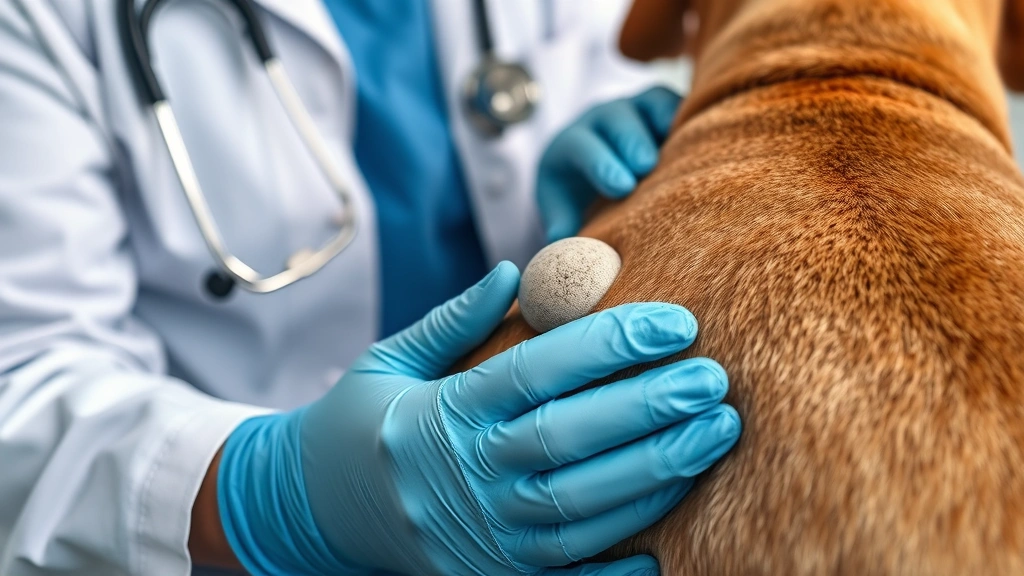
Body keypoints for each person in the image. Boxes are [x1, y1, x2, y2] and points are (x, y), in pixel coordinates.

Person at [0, 1, 741, 574]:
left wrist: (614, 190)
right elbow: (22, 383)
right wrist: (275, 494)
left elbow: (600, 64)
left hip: (532, 503)